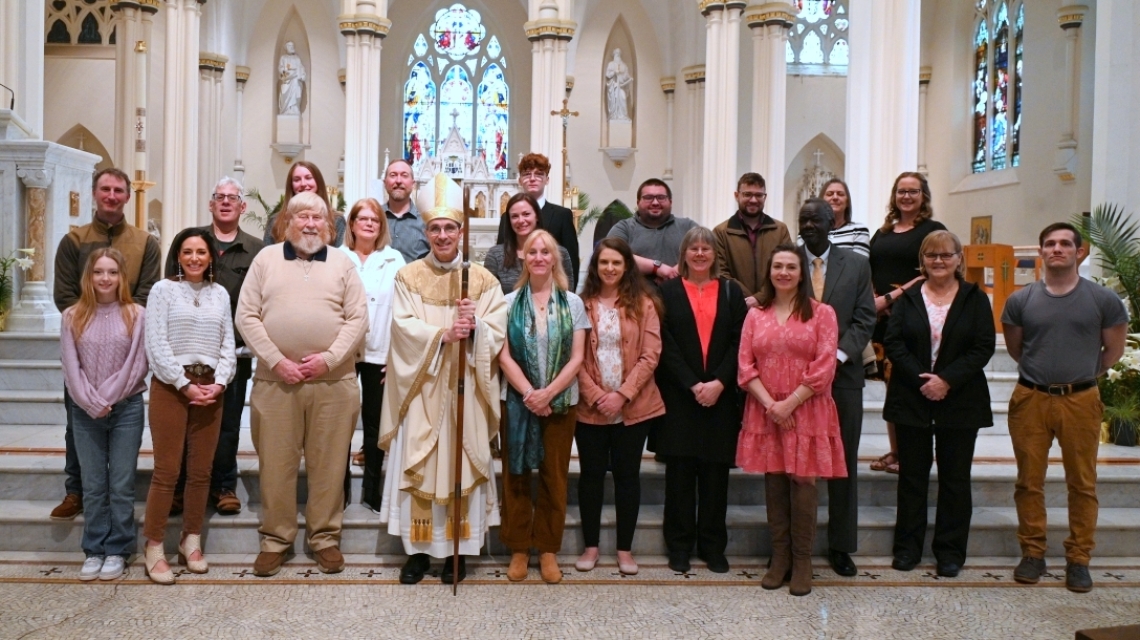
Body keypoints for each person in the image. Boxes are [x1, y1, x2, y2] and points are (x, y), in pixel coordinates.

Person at [379, 173, 508, 586]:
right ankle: (417, 554)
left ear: (462, 230)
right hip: (423, 384)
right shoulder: (408, 276)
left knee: (463, 460)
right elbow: (402, 327)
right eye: (434, 228)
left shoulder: (483, 281)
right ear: (426, 231)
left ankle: (459, 551)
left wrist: (476, 331)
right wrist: (443, 335)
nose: (442, 235)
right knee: (419, 465)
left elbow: (497, 330)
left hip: (465, 387)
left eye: (450, 227)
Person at [236, 191, 368, 577]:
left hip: (334, 381)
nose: (310, 224)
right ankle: (276, 540)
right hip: (276, 383)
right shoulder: (266, 259)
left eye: (317, 218)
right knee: (276, 464)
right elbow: (246, 316)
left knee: (329, 466)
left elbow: (358, 319)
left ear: (329, 226)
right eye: (302, 217)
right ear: (286, 223)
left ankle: (324, 538)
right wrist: (278, 361)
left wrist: (326, 359)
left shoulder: (343, 263)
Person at [1002, 222, 1128, 593]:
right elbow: (1016, 349)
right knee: (1028, 481)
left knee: (1083, 483)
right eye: (1050, 244)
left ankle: (1079, 558)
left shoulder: (1102, 300)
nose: (1057, 249)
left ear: (1079, 251)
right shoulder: (1020, 300)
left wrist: (1084, 376)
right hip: (1031, 398)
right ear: (1041, 251)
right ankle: (1033, 552)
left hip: (1081, 399)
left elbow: (1114, 350)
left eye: (1065, 244)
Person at [51, 167, 161, 521]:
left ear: (128, 196)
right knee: (77, 422)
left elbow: (146, 295)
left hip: (125, 347)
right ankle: (76, 490)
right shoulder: (74, 240)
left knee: (121, 444)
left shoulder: (145, 242)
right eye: (105, 189)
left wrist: (121, 329)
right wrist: (91, 326)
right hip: (85, 349)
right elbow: (65, 295)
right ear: (94, 194)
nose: (111, 196)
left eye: (118, 190)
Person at [883, 230, 995, 578]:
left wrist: (946, 380)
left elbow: (983, 346)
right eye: (932, 255)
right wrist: (923, 379)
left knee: (955, 479)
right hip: (912, 397)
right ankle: (907, 548)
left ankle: (949, 551)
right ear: (923, 261)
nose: (939, 261)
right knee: (912, 478)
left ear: (959, 258)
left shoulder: (975, 298)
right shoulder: (909, 297)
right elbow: (894, 342)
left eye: (946, 255)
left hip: (960, 399)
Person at [737, 244, 845, 597]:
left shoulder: (822, 313)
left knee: (803, 481)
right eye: (778, 266)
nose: (784, 272)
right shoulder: (756, 314)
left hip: (807, 407)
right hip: (767, 408)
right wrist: (772, 405)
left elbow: (825, 365)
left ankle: (802, 561)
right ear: (770, 272)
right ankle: (779, 558)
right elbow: (745, 366)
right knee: (775, 478)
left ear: (802, 274)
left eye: (791, 267)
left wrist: (791, 403)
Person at [162, 177, 264, 516]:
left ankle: (223, 485)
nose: (225, 202)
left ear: (242, 206)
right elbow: (171, 286)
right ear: (211, 203)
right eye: (219, 197)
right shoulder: (194, 241)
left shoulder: (256, 248)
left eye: (232, 198)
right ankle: (181, 488)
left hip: (232, 353)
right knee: (183, 427)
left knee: (227, 423)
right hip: (185, 351)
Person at [143, 228, 236, 584]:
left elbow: (228, 340)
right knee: (167, 471)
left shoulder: (220, 294)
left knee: (201, 471)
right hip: (171, 386)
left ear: (211, 256)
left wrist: (219, 382)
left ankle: (190, 539)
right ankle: (154, 545)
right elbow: (156, 342)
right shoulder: (163, 290)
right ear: (178, 256)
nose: (195, 257)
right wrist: (183, 384)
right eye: (187, 252)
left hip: (211, 387)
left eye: (201, 251)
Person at [652, 227, 747, 574]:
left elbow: (741, 341)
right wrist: (693, 384)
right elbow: (665, 343)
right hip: (680, 397)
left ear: (714, 255)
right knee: (679, 477)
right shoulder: (669, 291)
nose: (701, 253)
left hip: (720, 399)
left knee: (714, 478)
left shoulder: (730, 292)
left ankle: (712, 547)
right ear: (684, 253)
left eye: (706, 248)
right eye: (694, 248)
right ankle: (679, 546)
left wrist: (720, 382)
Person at [498, 230, 589, 584]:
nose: (538, 257)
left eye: (545, 252)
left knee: (554, 475)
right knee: (516, 475)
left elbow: (577, 357)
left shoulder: (573, 303)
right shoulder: (507, 302)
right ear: (524, 256)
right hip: (519, 402)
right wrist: (529, 394)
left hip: (561, 402)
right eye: (532, 251)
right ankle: (519, 547)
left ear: (554, 258)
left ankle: (548, 548)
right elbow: (503, 355)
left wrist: (547, 393)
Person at [575, 237, 665, 576]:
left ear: (627, 266)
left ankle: (625, 550)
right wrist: (597, 395)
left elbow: (651, 355)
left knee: (628, 476)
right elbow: (575, 358)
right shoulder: (581, 305)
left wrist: (621, 395)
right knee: (591, 477)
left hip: (634, 405)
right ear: (595, 268)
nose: (610, 268)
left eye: (616, 262)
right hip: (590, 406)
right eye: (604, 263)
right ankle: (591, 546)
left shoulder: (644, 304)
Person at [797, 199, 876, 577]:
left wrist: (837, 358)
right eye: (803, 220)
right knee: (794, 465)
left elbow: (865, 318)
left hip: (843, 379)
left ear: (832, 222)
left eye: (816, 219)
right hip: (793, 381)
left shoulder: (857, 265)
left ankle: (841, 546)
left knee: (842, 464)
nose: (809, 225)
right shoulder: (786, 261)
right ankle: (795, 547)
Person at [60, 248, 149, 582]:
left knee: (122, 484)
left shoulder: (136, 314)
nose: (105, 278)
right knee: (94, 484)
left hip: (126, 409)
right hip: (85, 412)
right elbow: (71, 366)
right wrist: (89, 401)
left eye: (112, 272)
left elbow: (137, 364)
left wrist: (106, 398)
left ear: (122, 276)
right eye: (99, 272)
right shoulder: (73, 315)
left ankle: (118, 549)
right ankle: (94, 548)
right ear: (89, 276)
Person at [867, 171, 946, 475]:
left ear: (923, 196)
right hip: (883, 319)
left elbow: (933, 271)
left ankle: (914, 452)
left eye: (913, 191)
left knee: (912, 383)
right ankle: (897, 450)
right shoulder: (884, 231)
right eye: (901, 191)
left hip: (915, 314)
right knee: (893, 388)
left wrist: (892, 297)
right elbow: (871, 268)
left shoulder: (932, 230)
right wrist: (874, 297)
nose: (907, 196)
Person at [339, 198, 405, 512]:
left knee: (376, 424)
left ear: (382, 227)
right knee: (340, 422)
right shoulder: (337, 258)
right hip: (342, 354)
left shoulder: (395, 260)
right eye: (362, 218)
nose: (368, 224)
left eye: (375, 220)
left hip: (381, 351)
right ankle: (338, 487)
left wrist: (397, 355)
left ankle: (372, 488)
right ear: (351, 224)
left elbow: (404, 312)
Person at [495, 153, 580, 286]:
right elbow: (501, 255)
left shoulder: (562, 215)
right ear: (520, 180)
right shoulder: (507, 217)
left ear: (547, 179)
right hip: (513, 288)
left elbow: (571, 262)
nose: (532, 179)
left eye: (539, 174)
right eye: (527, 174)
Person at [713, 173, 794, 306]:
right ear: (736, 195)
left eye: (758, 195)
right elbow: (720, 272)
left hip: (775, 306)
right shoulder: (721, 232)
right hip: (736, 306)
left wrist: (760, 297)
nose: (753, 200)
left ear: (765, 197)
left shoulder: (780, 230)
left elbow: (787, 266)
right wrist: (747, 298)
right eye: (747, 194)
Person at [606, 178, 699, 283]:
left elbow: (706, 251)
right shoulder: (624, 228)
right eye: (648, 198)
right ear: (638, 202)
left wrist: (676, 271)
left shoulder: (687, 226)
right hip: (635, 296)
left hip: (681, 295)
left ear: (670, 202)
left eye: (661, 197)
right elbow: (613, 254)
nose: (655, 202)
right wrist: (657, 268)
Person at [484, 193, 574, 294]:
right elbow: (489, 298)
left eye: (526, 214)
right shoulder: (495, 255)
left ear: (537, 217)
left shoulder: (560, 253)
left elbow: (568, 293)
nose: (521, 220)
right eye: (514, 216)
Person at [264, 161, 346, 247]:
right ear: (291, 185)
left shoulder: (336, 220)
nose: (303, 184)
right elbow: (266, 256)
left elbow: (339, 256)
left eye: (308, 178)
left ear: (318, 181)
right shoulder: (275, 221)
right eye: (297, 179)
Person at [383, 159, 429, 263]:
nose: (398, 181)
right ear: (385, 183)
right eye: (393, 175)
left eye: (404, 175)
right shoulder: (373, 218)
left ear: (413, 184)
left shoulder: (426, 222)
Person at [819, 178, 871, 257]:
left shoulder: (859, 231)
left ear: (847, 202)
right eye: (830, 194)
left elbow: (858, 265)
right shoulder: (809, 231)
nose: (835, 197)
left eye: (840, 194)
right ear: (821, 201)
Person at [278, 41, 306, 115]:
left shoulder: (297, 58)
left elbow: (301, 67)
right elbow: (280, 68)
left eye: (292, 46)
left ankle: (294, 108)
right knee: (284, 91)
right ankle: (286, 110)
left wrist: (302, 75)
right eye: (290, 46)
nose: (291, 47)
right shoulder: (283, 58)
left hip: (295, 79)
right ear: (286, 48)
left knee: (296, 91)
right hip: (287, 79)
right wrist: (285, 71)